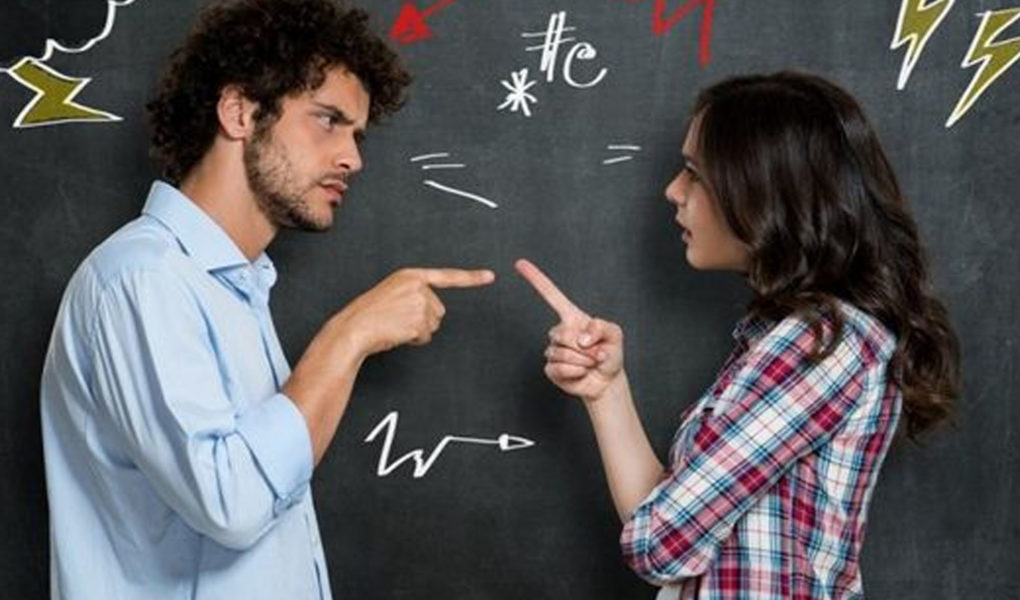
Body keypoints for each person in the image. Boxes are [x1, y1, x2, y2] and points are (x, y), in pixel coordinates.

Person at [39, 0, 494, 598]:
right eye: (327, 120)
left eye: (356, 134)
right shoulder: (142, 279)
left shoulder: (235, 287)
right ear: (239, 112)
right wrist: (349, 336)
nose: (353, 158)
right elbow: (231, 504)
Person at [516, 72, 960, 599]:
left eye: (694, 174)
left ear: (765, 191)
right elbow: (671, 524)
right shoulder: (788, 338)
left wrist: (662, 531)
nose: (672, 191)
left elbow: (660, 544)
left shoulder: (820, 344)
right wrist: (606, 392)